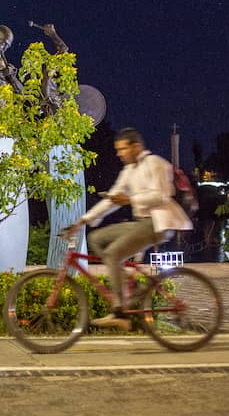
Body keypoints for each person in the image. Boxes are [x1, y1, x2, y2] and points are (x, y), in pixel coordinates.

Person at [69, 127, 193, 330]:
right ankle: (128, 279)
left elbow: (161, 195)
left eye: (123, 149)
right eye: (117, 150)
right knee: (97, 239)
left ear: (136, 146)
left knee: (113, 253)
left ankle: (120, 312)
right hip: (140, 222)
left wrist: (130, 199)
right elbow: (112, 199)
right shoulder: (128, 171)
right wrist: (83, 220)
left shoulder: (156, 164)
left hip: (158, 223)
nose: (119, 154)